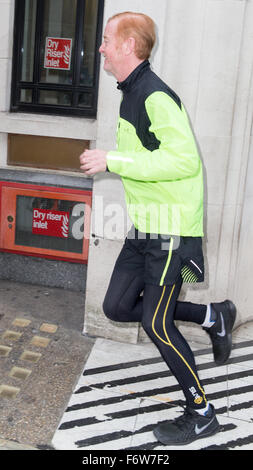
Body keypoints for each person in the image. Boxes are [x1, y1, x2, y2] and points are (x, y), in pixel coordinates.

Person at [80, 12, 236, 446]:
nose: (102, 48)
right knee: (117, 306)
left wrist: (113, 160)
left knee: (158, 325)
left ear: (129, 45)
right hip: (146, 229)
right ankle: (212, 315)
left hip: (171, 232)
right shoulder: (131, 93)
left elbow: (184, 161)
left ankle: (202, 413)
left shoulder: (154, 95)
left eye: (107, 39)